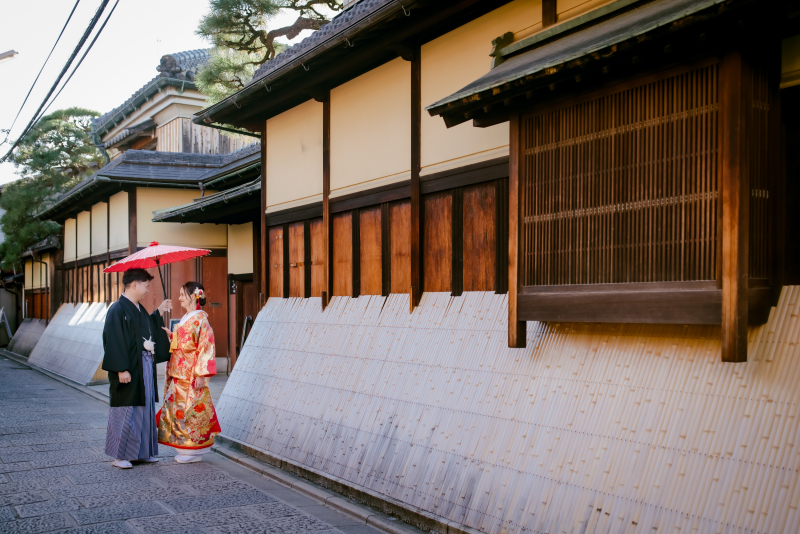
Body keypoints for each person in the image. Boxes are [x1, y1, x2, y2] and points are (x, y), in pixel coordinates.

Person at [102, 268, 172, 469]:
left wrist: (159, 310)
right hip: (129, 368)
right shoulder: (117, 309)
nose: (148, 290)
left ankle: (143, 452)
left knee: (145, 408)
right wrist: (120, 369)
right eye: (146, 285)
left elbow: (147, 326)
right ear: (134, 284)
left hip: (144, 367)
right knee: (126, 410)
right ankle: (120, 455)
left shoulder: (138, 309)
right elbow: (113, 340)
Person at [157, 281, 221, 463]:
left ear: (194, 295)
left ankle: (192, 450)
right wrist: (171, 335)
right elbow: (183, 341)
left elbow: (205, 346)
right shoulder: (188, 318)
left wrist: (201, 374)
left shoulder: (201, 319)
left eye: (182, 295)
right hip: (179, 373)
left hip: (192, 374)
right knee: (179, 411)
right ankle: (186, 449)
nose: (179, 299)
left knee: (191, 412)